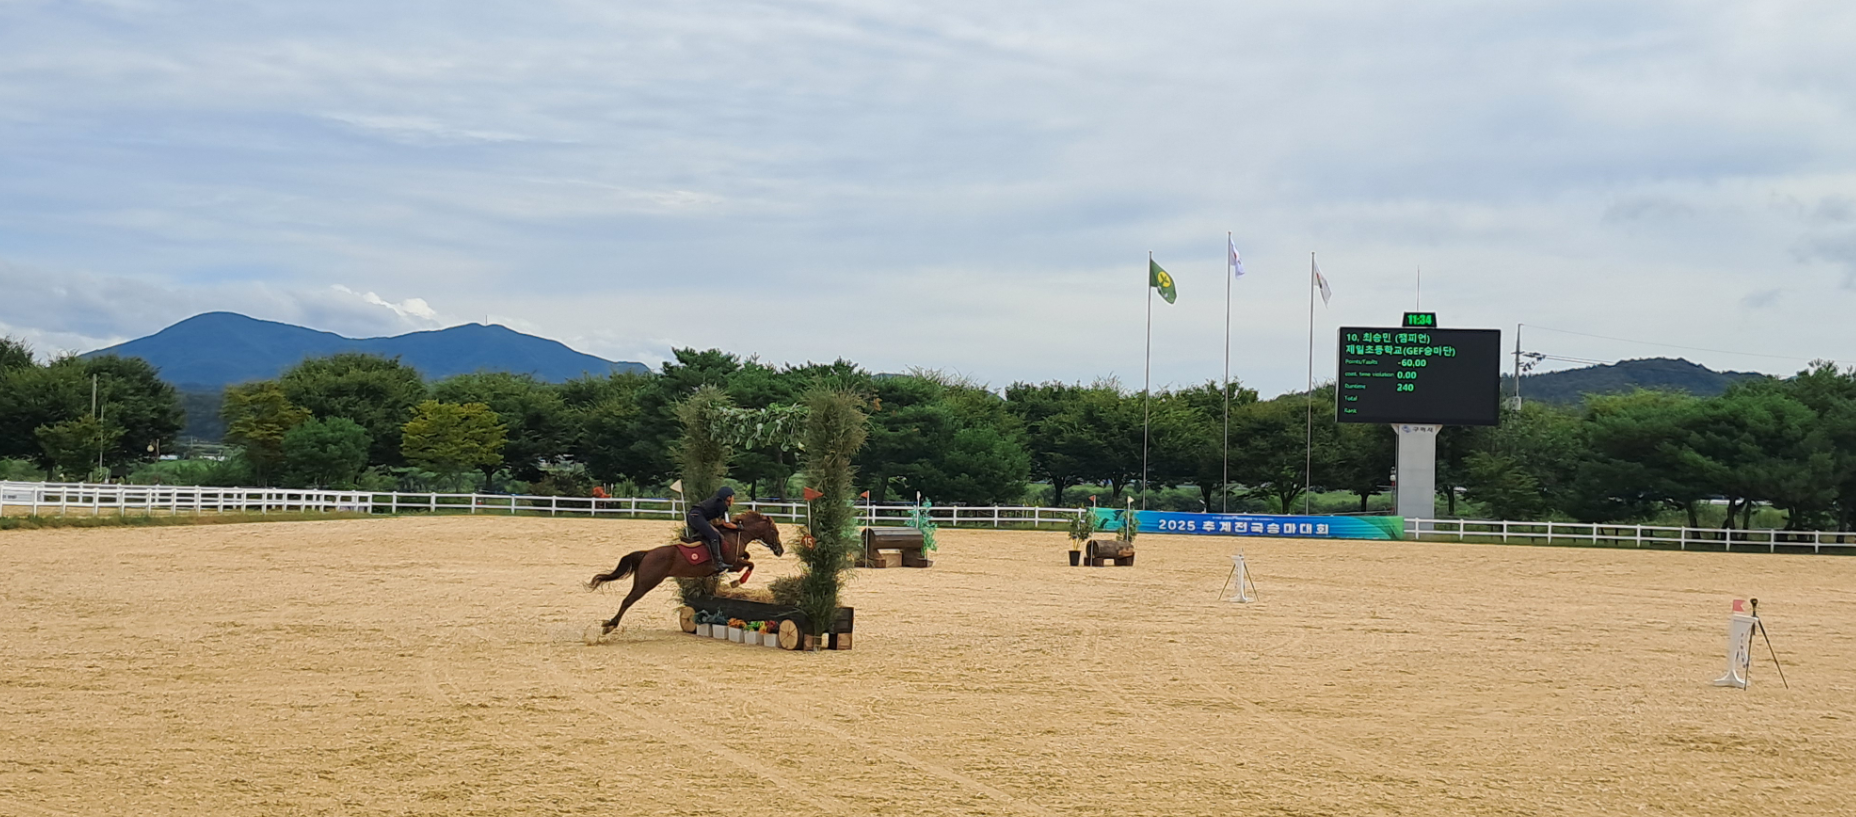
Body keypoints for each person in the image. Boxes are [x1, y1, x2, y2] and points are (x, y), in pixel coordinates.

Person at [686, 486, 740, 573]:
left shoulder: (718, 502)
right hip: (697, 516)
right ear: (728, 497)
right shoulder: (722, 505)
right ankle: (719, 563)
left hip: (694, 515)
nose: (733, 499)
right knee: (714, 536)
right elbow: (726, 523)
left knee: (710, 534)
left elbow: (720, 522)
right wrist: (738, 527)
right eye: (732, 497)